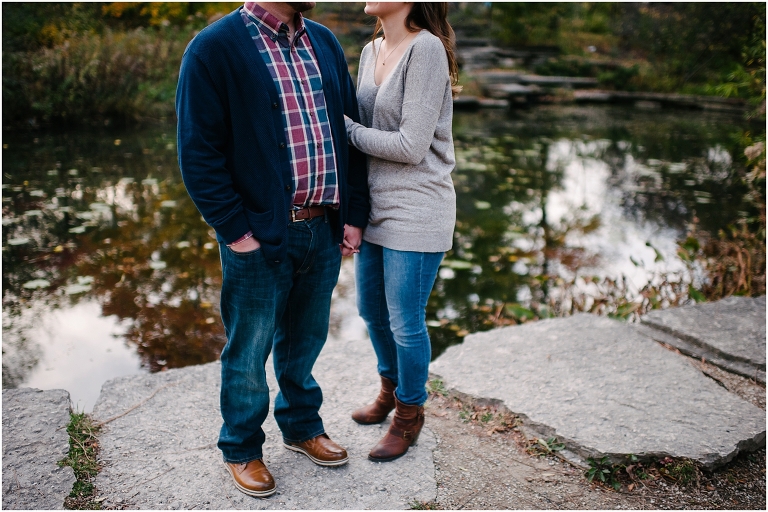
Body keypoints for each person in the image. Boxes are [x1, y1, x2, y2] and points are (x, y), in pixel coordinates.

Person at [176, 1, 369, 498]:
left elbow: (347, 134)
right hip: (258, 236)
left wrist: (352, 212)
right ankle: (241, 447)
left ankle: (302, 427)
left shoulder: (323, 40)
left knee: (305, 341)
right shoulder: (213, 48)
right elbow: (198, 150)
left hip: (323, 226)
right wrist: (236, 232)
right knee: (249, 348)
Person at [344, 2, 459, 462]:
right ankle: (389, 390)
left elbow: (412, 146)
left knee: (406, 321)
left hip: (418, 206)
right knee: (371, 311)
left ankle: (410, 413)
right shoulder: (370, 51)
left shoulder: (426, 49)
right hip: (376, 204)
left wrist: (344, 130)